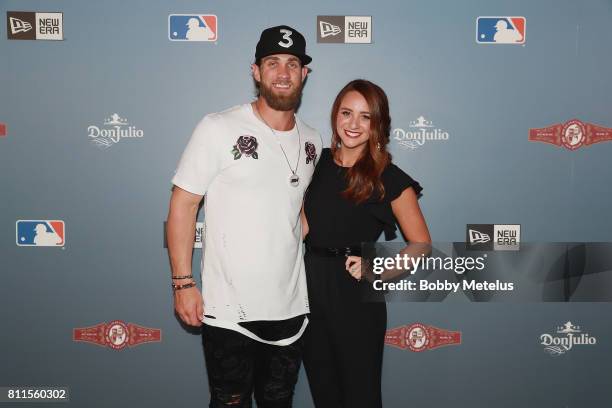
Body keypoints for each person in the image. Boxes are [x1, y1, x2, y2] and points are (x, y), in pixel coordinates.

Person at [166, 25, 322, 408]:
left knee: (278, 402)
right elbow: (183, 205)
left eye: (292, 63)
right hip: (228, 311)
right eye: (272, 63)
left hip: (291, 311)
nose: (283, 73)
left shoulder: (314, 141)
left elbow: (299, 216)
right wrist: (183, 283)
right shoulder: (218, 127)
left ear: (304, 73)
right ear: (256, 71)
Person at [301, 79, 431, 408]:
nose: (353, 124)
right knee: (323, 390)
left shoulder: (388, 176)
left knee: (361, 394)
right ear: (335, 115)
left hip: (356, 292)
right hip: (307, 286)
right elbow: (298, 223)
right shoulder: (313, 163)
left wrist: (378, 269)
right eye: (346, 113)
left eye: (365, 116)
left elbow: (420, 244)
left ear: (378, 124)